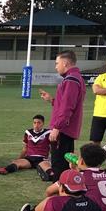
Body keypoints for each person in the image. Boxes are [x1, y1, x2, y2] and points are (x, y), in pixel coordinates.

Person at [18, 143, 106, 211]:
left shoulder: (80, 176)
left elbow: (49, 191)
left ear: (81, 161)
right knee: (74, 195)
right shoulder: (105, 175)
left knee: (54, 199)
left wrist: (72, 172)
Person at [39, 50, 86, 181]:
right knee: (64, 163)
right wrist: (52, 100)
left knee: (59, 166)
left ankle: (59, 194)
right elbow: (67, 104)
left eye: (57, 63)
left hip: (63, 129)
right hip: (67, 129)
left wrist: (57, 127)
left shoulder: (71, 80)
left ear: (65, 63)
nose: (56, 66)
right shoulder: (77, 78)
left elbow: (67, 108)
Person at [0, 115, 54, 181]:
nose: (36, 125)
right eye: (34, 123)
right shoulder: (28, 132)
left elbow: (53, 148)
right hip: (29, 159)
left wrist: (52, 160)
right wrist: (19, 159)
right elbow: (25, 148)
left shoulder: (49, 133)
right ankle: (3, 170)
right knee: (17, 163)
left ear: (43, 123)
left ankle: (51, 176)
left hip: (42, 158)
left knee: (47, 169)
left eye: (39, 123)